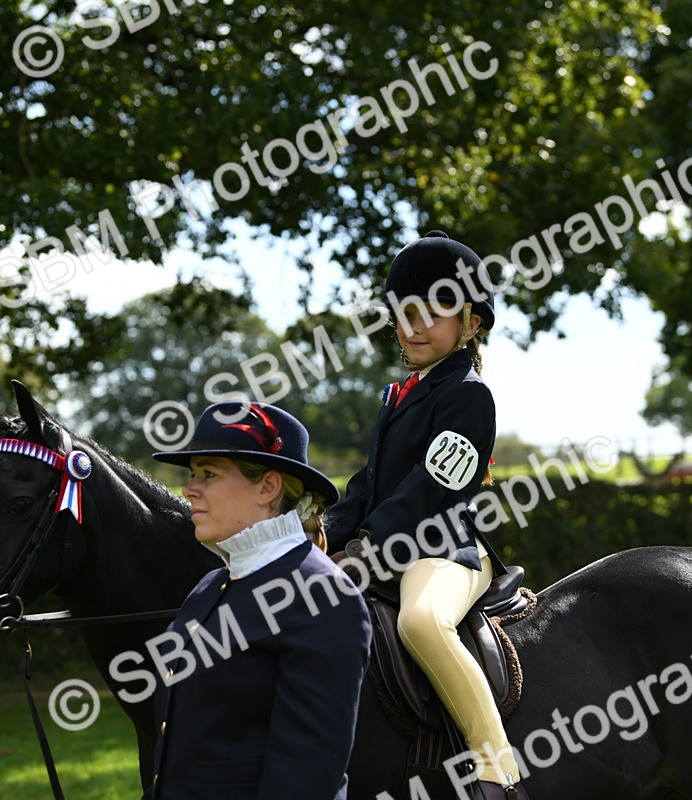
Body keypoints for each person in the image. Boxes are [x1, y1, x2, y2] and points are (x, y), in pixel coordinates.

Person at [326, 230, 529, 800]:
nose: (413, 326)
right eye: (403, 313)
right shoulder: (399, 397)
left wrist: (366, 547)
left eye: (432, 313)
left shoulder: (468, 394)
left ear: (470, 322)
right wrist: (322, 537)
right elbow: (366, 485)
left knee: (421, 623)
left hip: (444, 551)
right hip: (383, 542)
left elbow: (431, 487)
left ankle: (497, 771)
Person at [145, 401, 372, 800]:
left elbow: (305, 780)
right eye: (192, 474)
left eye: (208, 474)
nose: (188, 489)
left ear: (267, 488)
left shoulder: (323, 595)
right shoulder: (209, 586)